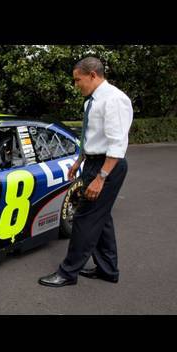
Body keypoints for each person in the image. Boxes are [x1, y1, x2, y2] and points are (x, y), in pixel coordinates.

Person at [38, 57, 133, 287]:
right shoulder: (91, 101)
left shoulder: (114, 100)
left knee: (84, 219)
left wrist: (101, 178)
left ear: (93, 75)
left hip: (107, 166)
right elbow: (92, 138)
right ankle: (108, 269)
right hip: (93, 162)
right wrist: (78, 161)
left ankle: (68, 273)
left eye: (77, 79)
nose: (75, 84)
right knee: (102, 218)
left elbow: (117, 144)